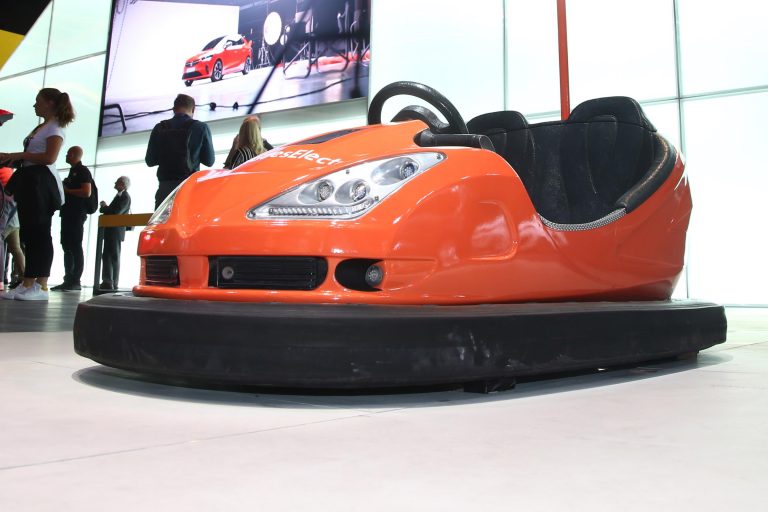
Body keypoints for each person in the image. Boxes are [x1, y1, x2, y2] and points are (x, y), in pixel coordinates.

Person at [0, 88, 73, 301]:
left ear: (50, 103)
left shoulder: (55, 127)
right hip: (31, 181)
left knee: (40, 233)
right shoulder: (43, 127)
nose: (35, 105)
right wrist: (12, 158)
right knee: (30, 234)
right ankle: (28, 282)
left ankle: (41, 285)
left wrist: (18, 155)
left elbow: (49, 157)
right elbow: (34, 156)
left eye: (38, 101)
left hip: (42, 184)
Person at [145, 94, 214, 208]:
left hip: (164, 191)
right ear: (193, 109)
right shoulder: (201, 127)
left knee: (164, 219)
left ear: (174, 109)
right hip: (189, 189)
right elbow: (209, 161)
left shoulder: (159, 128)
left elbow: (150, 161)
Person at [51, 146, 92, 291]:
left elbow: (87, 192)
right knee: (66, 245)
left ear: (74, 155)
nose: (66, 156)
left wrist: (67, 191)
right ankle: (68, 279)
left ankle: (75, 280)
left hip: (76, 214)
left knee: (75, 245)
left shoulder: (82, 171)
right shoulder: (73, 171)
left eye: (68, 153)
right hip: (68, 213)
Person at [99, 176, 131, 291]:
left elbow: (116, 212)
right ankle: (108, 281)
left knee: (113, 256)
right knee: (108, 255)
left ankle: (111, 282)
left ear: (122, 184)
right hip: (112, 230)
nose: (115, 183)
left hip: (115, 230)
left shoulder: (125, 197)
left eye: (117, 182)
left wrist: (104, 207)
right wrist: (105, 208)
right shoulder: (120, 196)